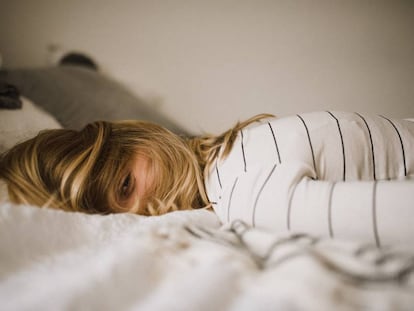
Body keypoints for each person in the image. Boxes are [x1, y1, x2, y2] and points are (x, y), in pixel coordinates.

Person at [1, 111, 413, 246]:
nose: (143, 215)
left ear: (137, 139)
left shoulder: (243, 192)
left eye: (126, 186)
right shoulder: (234, 149)